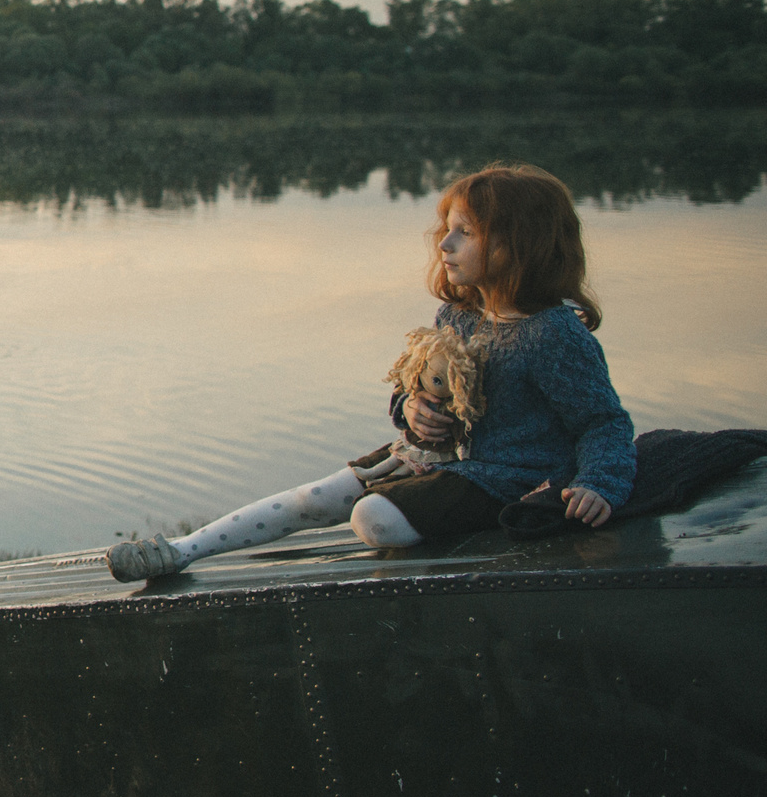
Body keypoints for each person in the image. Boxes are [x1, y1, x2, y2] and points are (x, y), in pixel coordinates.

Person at [106, 162, 636, 582]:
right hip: (438, 458)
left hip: (508, 478)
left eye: (464, 233)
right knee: (315, 499)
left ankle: (445, 522)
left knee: (373, 518)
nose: (444, 246)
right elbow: (416, 392)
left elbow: (603, 423)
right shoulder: (457, 315)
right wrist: (411, 410)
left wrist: (598, 484)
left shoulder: (553, 334)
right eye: (446, 231)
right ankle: (180, 551)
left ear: (517, 245)